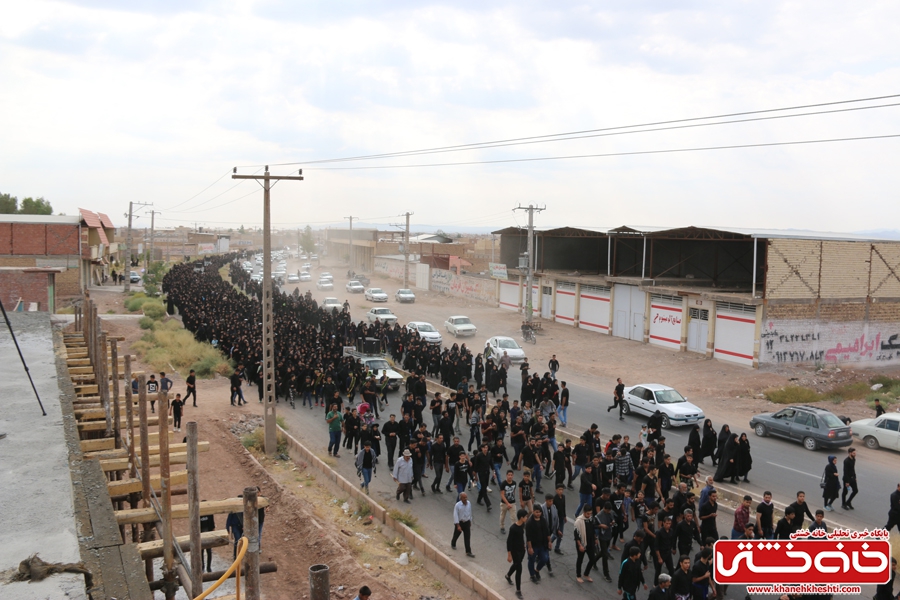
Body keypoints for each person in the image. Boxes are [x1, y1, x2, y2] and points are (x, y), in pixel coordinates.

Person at [505, 508, 528, 598]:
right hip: (515, 551)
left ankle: (508, 575)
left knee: (516, 564)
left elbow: (521, 536)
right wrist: (509, 555)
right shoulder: (513, 528)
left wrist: (523, 545)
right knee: (519, 569)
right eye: (525, 516)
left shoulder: (523, 525)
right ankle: (518, 590)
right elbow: (509, 541)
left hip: (521, 550)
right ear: (521, 517)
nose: (526, 518)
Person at [525, 505, 550, 583]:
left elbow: (547, 532)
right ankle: (532, 576)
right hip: (533, 546)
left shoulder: (543, 520)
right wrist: (530, 548)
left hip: (543, 544)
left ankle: (537, 570)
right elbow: (528, 537)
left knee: (545, 558)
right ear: (533, 512)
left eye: (539, 512)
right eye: (537, 512)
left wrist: (549, 541)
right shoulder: (529, 522)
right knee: (531, 560)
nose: (538, 514)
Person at [574, 505, 599, 583]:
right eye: (588, 514)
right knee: (580, 560)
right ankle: (578, 575)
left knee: (593, 559)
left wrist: (595, 538)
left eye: (590, 513)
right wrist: (580, 545)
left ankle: (586, 574)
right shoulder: (578, 521)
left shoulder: (590, 519)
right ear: (584, 512)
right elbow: (576, 535)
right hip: (582, 543)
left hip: (590, 542)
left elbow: (593, 529)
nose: (589, 515)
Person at [452, 492, 475, 557]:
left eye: (466, 497)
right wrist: (458, 525)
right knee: (456, 535)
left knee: (467, 537)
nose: (465, 499)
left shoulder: (469, 503)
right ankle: (453, 543)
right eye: (464, 497)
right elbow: (455, 515)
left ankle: (468, 551)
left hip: (467, 522)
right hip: (460, 523)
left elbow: (470, 512)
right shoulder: (457, 505)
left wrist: (470, 520)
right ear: (460, 498)